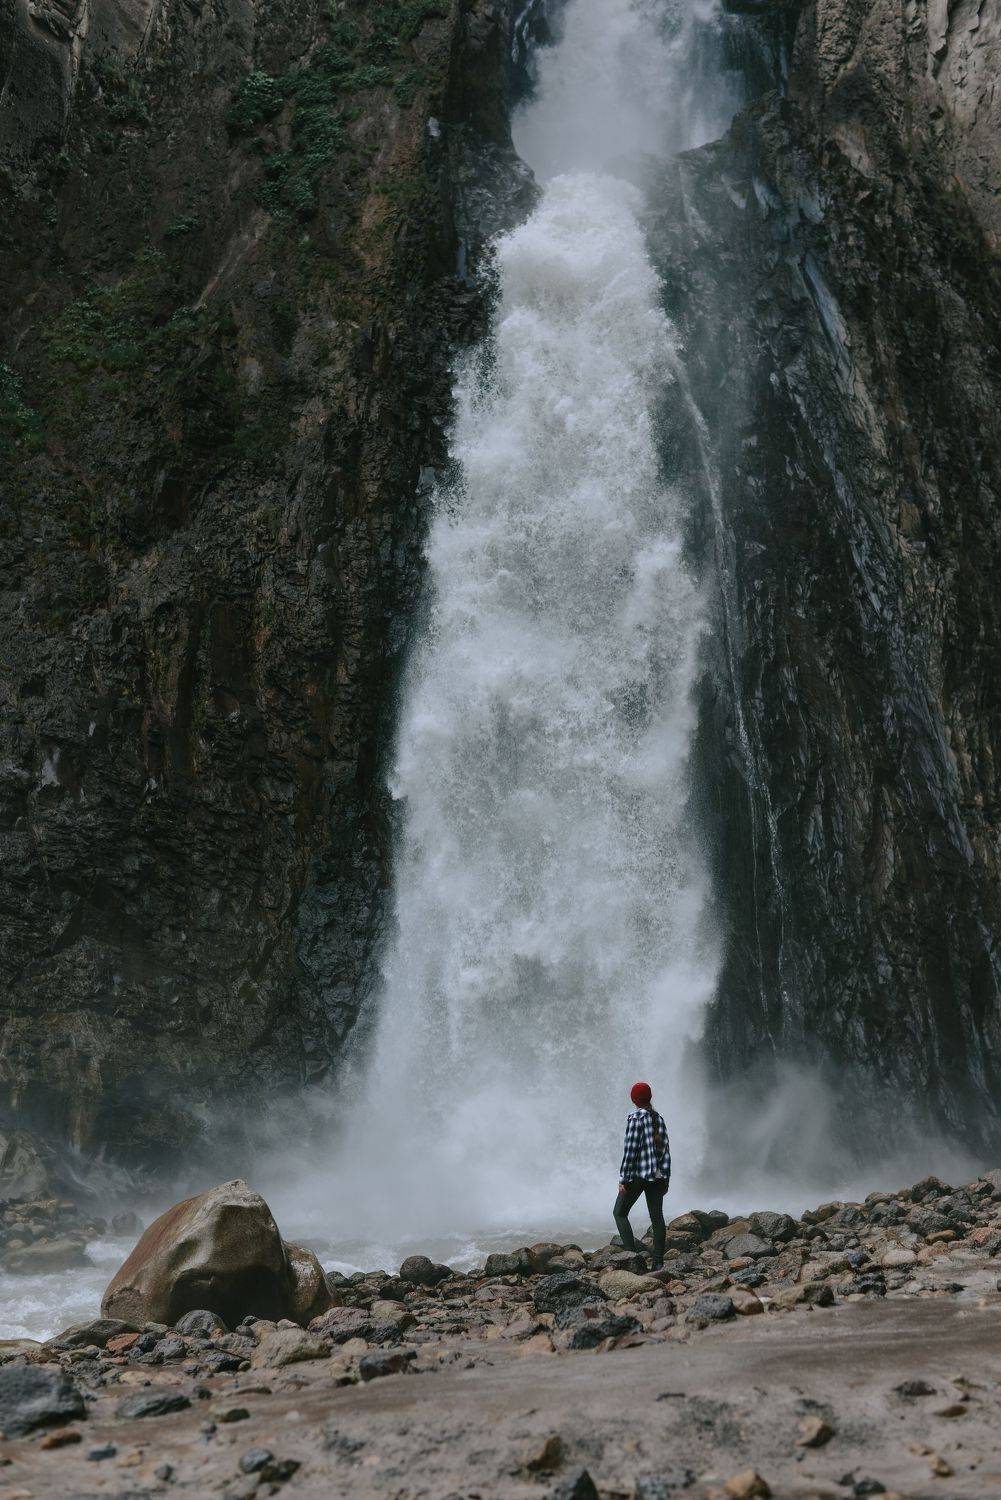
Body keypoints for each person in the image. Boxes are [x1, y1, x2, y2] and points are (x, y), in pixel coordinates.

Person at [613, 1080, 671, 1269]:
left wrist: (623, 1179)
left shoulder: (635, 1118)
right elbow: (666, 1151)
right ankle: (658, 1262)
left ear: (634, 1099)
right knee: (657, 1217)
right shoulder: (658, 1119)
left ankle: (633, 1257)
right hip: (657, 1176)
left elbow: (630, 1151)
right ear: (649, 1098)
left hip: (638, 1175)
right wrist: (666, 1178)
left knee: (619, 1213)